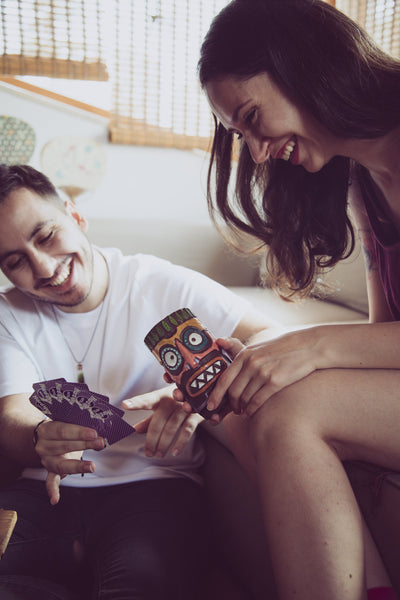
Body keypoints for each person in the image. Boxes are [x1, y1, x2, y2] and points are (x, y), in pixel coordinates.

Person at [194, 1, 400, 599]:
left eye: (253, 117)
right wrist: (272, 358)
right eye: (241, 134)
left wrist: (307, 347)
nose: (256, 152)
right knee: (250, 399)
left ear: (304, 66)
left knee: (290, 408)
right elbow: (384, 333)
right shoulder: (364, 178)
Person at [0, 164, 274, 600]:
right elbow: (11, 412)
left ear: (75, 216)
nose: (45, 267)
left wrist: (195, 394)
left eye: (46, 235)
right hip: (41, 494)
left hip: (157, 487)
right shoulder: (8, 314)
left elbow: (267, 337)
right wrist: (39, 435)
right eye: (15, 261)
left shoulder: (158, 282)